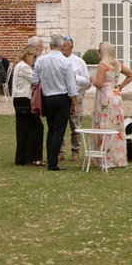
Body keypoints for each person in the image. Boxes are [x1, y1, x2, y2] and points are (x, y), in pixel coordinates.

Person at [32, 35, 74, 170]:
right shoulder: (65, 62)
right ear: (61, 46)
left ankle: (50, 157)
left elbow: (34, 79)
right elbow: (70, 85)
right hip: (62, 98)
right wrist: (74, 101)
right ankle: (52, 162)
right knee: (59, 130)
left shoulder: (40, 60)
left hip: (47, 97)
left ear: (50, 45)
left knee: (51, 129)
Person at [91, 43, 132, 169]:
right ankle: (117, 158)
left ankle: (105, 158)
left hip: (105, 96)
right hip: (116, 96)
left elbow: (99, 84)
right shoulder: (116, 64)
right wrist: (120, 86)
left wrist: (92, 79)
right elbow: (131, 74)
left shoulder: (103, 65)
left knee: (104, 126)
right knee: (116, 126)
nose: (98, 53)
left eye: (99, 50)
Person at [11, 40, 43, 166]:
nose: (34, 59)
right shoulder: (24, 67)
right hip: (24, 99)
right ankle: (33, 157)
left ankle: (22, 158)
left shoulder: (21, 66)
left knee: (23, 129)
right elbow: (35, 79)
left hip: (19, 99)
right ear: (27, 55)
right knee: (37, 127)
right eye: (34, 56)